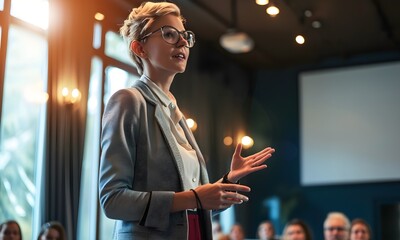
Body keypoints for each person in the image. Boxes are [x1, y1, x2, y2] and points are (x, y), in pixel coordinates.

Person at [98, 1, 275, 240]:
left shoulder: (175, 110)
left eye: (184, 36)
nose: (182, 42)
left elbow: (191, 207)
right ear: (140, 48)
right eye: (169, 34)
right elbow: (112, 200)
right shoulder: (128, 101)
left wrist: (227, 182)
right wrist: (195, 197)